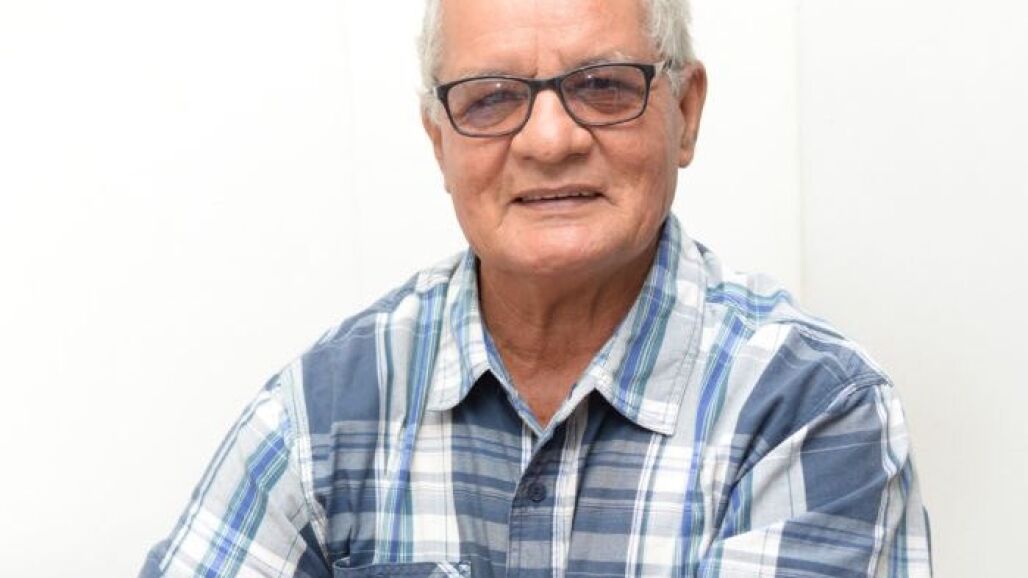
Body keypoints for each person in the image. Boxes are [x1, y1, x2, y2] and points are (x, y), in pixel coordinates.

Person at [140, 0, 932, 576]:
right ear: (438, 142)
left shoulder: (812, 414)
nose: (550, 141)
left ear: (685, 114)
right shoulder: (325, 411)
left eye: (604, 86)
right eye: (491, 98)